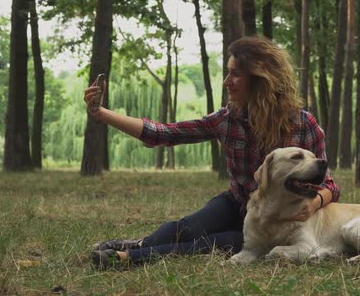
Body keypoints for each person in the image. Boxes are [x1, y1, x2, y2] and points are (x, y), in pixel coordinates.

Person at [84, 36, 340, 269]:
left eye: (235, 74)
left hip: (277, 219)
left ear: (260, 78)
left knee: (220, 242)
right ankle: (137, 245)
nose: (226, 82)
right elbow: (164, 133)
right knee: (188, 228)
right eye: (227, 73)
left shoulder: (304, 125)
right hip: (238, 202)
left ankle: (128, 259)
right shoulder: (226, 119)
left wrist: (313, 204)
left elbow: (329, 185)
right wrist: (101, 114)